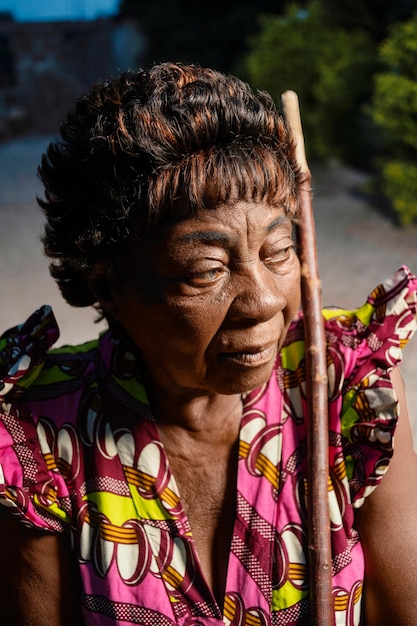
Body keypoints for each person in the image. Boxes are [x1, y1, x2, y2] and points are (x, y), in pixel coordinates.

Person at [0, 62, 417, 626]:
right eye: (206, 270)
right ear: (108, 284)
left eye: (278, 253)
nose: (264, 301)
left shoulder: (346, 385)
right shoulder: (38, 437)